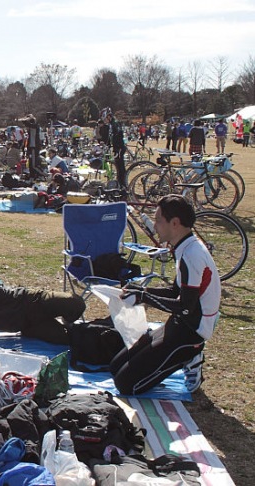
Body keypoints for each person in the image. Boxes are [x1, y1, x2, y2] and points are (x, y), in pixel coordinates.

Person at [112, 195, 220, 394]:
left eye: (159, 220)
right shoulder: (185, 246)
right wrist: (141, 290)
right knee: (115, 366)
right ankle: (181, 354)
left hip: (192, 330)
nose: (155, 225)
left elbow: (186, 307)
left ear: (175, 223)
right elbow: (176, 292)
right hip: (180, 322)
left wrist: (144, 297)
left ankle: (191, 355)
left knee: (126, 385)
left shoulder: (191, 254)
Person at [101, 107, 126, 188]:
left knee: (120, 168)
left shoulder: (115, 123)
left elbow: (118, 136)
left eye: (105, 118)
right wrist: (107, 145)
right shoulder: (111, 124)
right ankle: (120, 184)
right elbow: (110, 137)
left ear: (109, 116)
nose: (105, 120)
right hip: (116, 148)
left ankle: (123, 186)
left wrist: (117, 148)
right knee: (118, 168)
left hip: (119, 148)